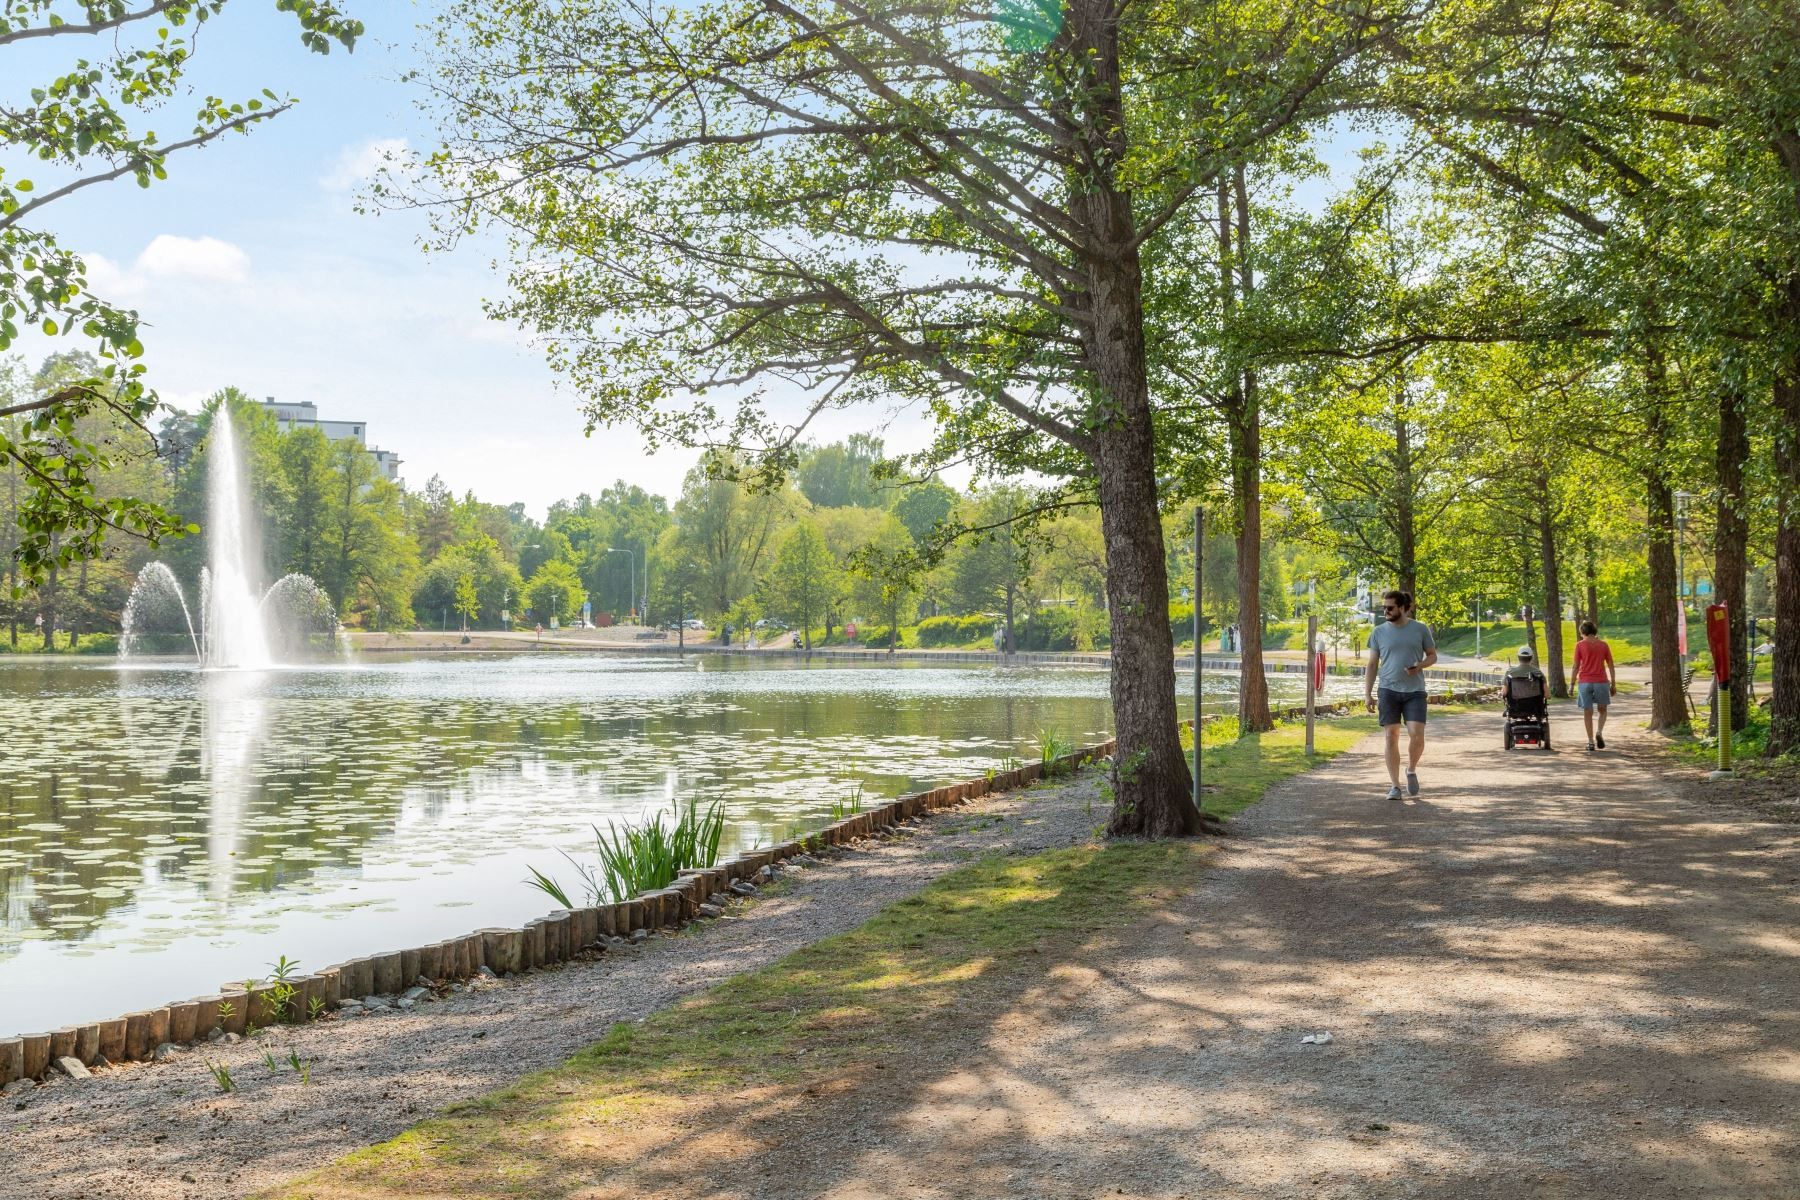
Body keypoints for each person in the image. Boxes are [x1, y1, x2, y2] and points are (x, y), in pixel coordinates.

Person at [1363, 589, 1438, 799]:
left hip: (1415, 690)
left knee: (1417, 734)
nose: (1385, 611)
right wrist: (1368, 694)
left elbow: (1432, 656)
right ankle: (1395, 786)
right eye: (1384, 607)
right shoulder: (1378, 632)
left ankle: (1411, 769)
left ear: (1404, 608)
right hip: (1388, 689)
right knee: (1391, 736)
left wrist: (1420, 665)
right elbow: (1372, 664)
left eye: (1390, 608)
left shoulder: (1420, 629)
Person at [1570, 620, 1618, 750]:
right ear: (1594, 631)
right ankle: (1599, 732)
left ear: (1582, 632)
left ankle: (1590, 742)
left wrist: (1571, 684)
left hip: (1585, 682)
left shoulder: (1579, 645)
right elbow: (1611, 665)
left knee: (1587, 711)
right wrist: (1613, 684)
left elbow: (1575, 666)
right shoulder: (1603, 645)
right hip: (1601, 681)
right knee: (1602, 710)